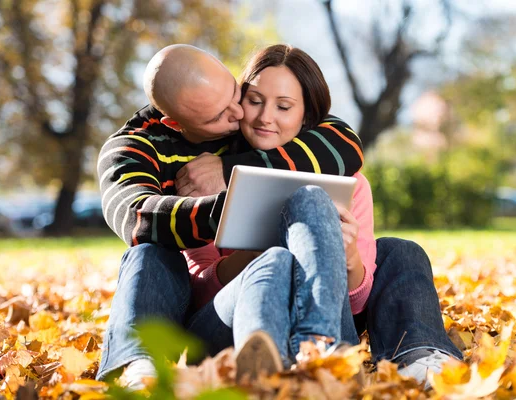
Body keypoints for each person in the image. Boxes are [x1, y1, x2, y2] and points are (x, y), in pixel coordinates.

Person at [182, 44, 463, 388]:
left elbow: (358, 302)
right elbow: (197, 293)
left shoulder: (351, 184)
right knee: (279, 257)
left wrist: (348, 259)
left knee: (402, 250)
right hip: (233, 322)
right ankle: (308, 362)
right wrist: (253, 260)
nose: (264, 117)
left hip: (333, 325)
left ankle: (417, 355)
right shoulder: (206, 176)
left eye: (283, 106)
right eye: (254, 100)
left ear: (307, 117)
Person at [96, 44, 365, 389]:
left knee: (290, 244)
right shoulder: (132, 149)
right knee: (147, 250)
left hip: (262, 290)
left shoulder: (249, 121)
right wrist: (236, 206)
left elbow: (342, 141)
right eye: (219, 114)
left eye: (237, 94)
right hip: (198, 305)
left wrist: (229, 170)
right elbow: (137, 218)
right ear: (175, 123)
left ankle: (313, 356)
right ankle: (136, 363)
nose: (240, 114)